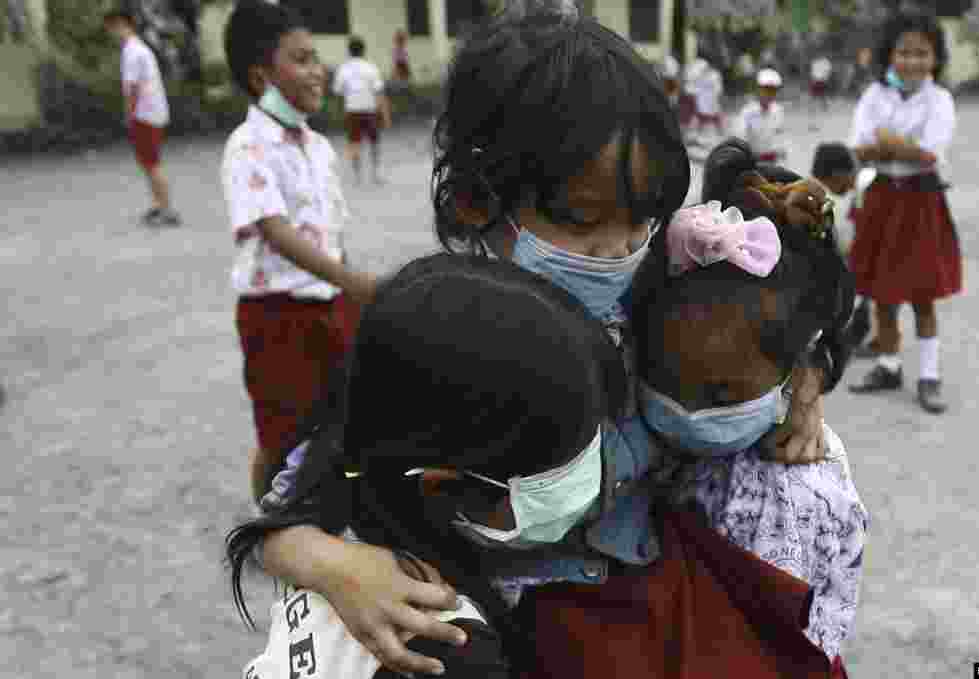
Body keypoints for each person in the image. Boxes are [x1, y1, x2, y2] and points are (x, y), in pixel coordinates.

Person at [250, 7, 832, 677]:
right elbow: (285, 511)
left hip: (640, 592)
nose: (619, 251)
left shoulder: (653, 282)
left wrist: (806, 384)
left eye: (642, 221)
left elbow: (791, 318)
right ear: (476, 199)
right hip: (506, 616)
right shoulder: (430, 336)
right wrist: (338, 565)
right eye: (585, 226)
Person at [229, 252, 633, 678]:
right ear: (441, 485)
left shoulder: (344, 487)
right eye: (564, 465)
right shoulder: (446, 649)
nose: (596, 470)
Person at [627, 139, 867, 668]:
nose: (685, 412)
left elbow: (786, 639)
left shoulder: (800, 492)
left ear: (791, 376)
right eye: (665, 381)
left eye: (721, 394)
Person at [221, 0, 376, 501]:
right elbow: (274, 229)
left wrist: (351, 293)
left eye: (317, 57)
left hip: (334, 305)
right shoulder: (248, 145)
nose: (318, 70)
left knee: (344, 419)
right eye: (303, 59)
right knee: (281, 435)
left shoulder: (318, 146)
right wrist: (355, 283)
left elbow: (330, 233)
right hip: (276, 314)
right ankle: (269, 524)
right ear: (262, 76)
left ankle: (342, 508)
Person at [846, 11, 960, 414]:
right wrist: (900, 146)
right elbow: (858, 149)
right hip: (882, 198)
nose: (912, 61)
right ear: (888, 55)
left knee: (923, 294)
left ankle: (929, 375)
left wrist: (886, 141)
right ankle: (888, 364)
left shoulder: (940, 100)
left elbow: (930, 154)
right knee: (881, 293)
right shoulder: (874, 96)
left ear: (936, 58)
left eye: (922, 53)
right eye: (903, 52)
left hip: (921, 201)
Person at [103, 6, 182, 227]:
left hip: (144, 114)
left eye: (112, 28)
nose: (111, 33)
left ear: (122, 25)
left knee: (151, 163)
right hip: (152, 112)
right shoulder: (139, 49)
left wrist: (128, 115)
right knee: (148, 162)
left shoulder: (132, 51)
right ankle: (159, 204)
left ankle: (166, 208)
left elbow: (132, 88)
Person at [811, 142, 876, 350]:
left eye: (829, 183)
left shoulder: (868, 183)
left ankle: (864, 328)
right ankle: (867, 329)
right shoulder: (862, 184)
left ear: (839, 173)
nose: (831, 190)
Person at [333, 36, 392, 185]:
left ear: (349, 51)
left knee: (354, 142)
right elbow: (379, 92)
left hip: (352, 110)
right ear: (363, 50)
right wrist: (385, 114)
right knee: (374, 142)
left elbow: (337, 90)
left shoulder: (343, 68)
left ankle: (357, 176)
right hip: (369, 110)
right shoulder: (370, 67)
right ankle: (376, 174)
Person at [733, 68, 787, 163]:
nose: (769, 94)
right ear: (758, 90)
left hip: (772, 161)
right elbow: (740, 140)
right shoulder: (747, 112)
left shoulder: (778, 111)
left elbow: (780, 139)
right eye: (766, 90)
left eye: (773, 90)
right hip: (753, 162)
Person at [685, 55, 724, 144]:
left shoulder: (714, 75)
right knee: (700, 118)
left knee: (715, 118)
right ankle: (694, 136)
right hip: (703, 102)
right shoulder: (700, 74)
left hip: (711, 101)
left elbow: (718, 89)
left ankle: (721, 135)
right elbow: (693, 87)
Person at [810, 54, 833, 124]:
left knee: (823, 95)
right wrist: (813, 79)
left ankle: (825, 107)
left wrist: (826, 78)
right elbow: (813, 71)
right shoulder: (815, 61)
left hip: (822, 80)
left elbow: (828, 71)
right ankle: (816, 107)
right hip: (816, 80)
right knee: (815, 96)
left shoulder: (825, 61)